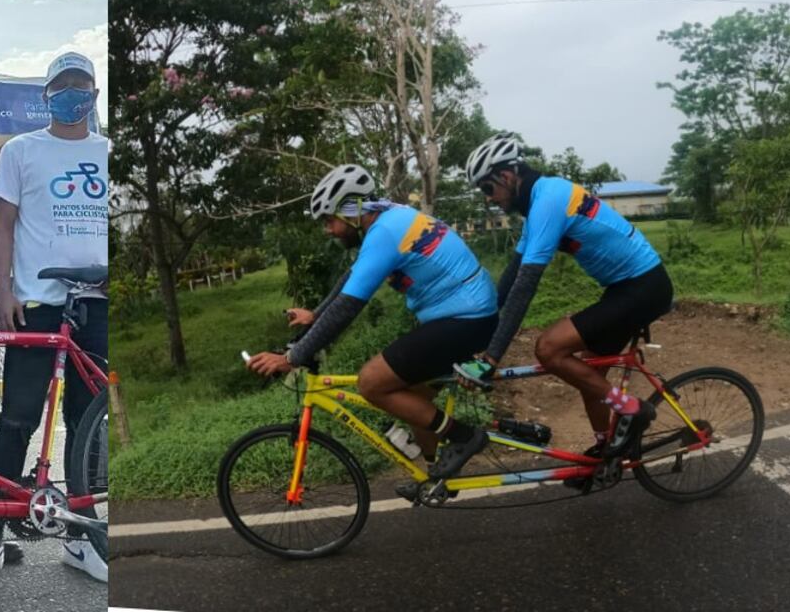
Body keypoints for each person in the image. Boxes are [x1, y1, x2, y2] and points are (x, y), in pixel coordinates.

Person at [246, 165, 499, 482]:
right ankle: (435, 476)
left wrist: (291, 358)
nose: (328, 230)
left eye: (329, 220)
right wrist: (316, 315)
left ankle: (464, 437)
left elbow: (348, 307)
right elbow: (352, 277)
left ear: (349, 211)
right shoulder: (390, 217)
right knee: (413, 400)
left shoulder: (385, 233)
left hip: (466, 319)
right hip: (466, 316)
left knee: (371, 382)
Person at [460, 134, 671, 469]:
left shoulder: (549, 200)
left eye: (488, 188)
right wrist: (477, 332)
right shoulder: (538, 207)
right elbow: (511, 280)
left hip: (644, 287)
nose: (488, 198)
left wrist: (491, 358)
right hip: (625, 288)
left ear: (507, 176)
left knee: (549, 348)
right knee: (589, 375)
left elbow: (525, 288)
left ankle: (632, 409)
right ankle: (605, 451)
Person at [0, 51, 108, 583]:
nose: (72, 94)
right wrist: (4, 290)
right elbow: (3, 224)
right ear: (46, 96)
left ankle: (83, 536)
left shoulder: (108, 151)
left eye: (81, 85)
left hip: (98, 303)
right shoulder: (21, 150)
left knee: (88, 421)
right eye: (62, 86)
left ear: (94, 95)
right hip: (35, 302)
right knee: (18, 415)